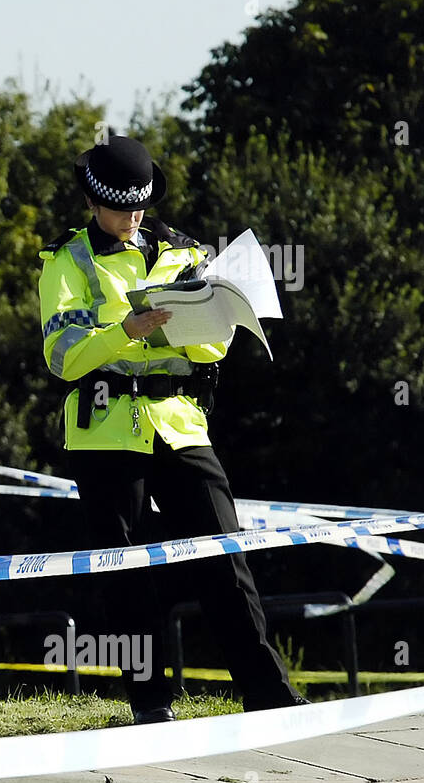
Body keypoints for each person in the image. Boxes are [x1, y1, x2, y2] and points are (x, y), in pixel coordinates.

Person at [37, 134, 305, 724]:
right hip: (106, 431)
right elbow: (62, 356)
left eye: (140, 204)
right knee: (128, 571)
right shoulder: (67, 262)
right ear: (92, 201)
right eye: (121, 207)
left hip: (181, 424)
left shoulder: (183, 252)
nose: (133, 217)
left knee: (225, 554)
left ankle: (267, 692)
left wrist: (214, 316)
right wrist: (124, 332)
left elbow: (209, 345)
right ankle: (151, 704)